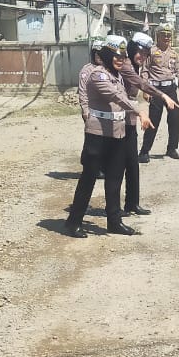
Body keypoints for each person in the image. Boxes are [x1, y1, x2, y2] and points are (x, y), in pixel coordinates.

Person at [64, 36, 152, 238]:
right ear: (107, 55)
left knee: (114, 178)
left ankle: (114, 221)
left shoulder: (118, 75)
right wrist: (139, 111)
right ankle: (73, 222)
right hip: (98, 134)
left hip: (117, 133)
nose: (120, 60)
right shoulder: (98, 75)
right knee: (88, 178)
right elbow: (116, 97)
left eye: (122, 56)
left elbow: (129, 91)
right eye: (116, 56)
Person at [121, 33, 177, 215]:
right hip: (119, 118)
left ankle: (132, 203)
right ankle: (113, 210)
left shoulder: (134, 65)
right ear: (131, 50)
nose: (142, 57)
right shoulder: (126, 65)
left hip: (129, 115)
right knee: (117, 166)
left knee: (132, 164)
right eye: (140, 53)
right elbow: (140, 83)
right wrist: (161, 95)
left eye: (145, 54)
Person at [138, 24, 179, 162]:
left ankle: (172, 148)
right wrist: (145, 90)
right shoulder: (151, 52)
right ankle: (144, 151)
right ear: (157, 36)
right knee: (154, 120)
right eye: (163, 35)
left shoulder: (173, 54)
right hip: (155, 90)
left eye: (168, 35)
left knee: (174, 119)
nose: (166, 38)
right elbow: (145, 70)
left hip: (170, 89)